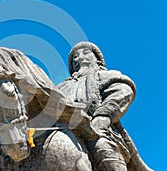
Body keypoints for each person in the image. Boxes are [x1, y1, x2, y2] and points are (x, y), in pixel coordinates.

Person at [57, 42, 151, 171]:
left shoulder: (103, 75)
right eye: (75, 57)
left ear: (97, 59)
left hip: (92, 126)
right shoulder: (61, 86)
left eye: (85, 53)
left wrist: (104, 115)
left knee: (101, 146)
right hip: (60, 127)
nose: (79, 58)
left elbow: (122, 90)